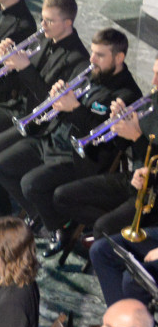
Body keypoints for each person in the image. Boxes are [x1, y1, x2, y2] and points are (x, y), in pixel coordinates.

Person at [0, 28, 141, 253]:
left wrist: (75, 109)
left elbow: (104, 141)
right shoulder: (92, 73)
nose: (92, 59)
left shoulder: (127, 95)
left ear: (119, 58)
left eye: (100, 55)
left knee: (30, 184)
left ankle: (59, 226)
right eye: (92, 52)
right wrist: (59, 94)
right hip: (52, 138)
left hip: (82, 157)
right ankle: (42, 214)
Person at [0, 0, 88, 215]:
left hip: (41, 123)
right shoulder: (43, 38)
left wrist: (25, 68)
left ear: (68, 23)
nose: (42, 25)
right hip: (18, 107)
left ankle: (27, 212)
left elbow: (52, 105)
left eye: (49, 20)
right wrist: (9, 59)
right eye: (42, 18)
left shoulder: (78, 60)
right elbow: (17, 79)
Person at [56, 58, 158, 239]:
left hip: (153, 194)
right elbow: (122, 146)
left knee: (103, 228)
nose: (153, 81)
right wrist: (120, 123)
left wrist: (136, 136)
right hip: (135, 180)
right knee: (63, 196)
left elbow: (150, 154)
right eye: (154, 73)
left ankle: (109, 238)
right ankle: (114, 236)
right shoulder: (152, 100)